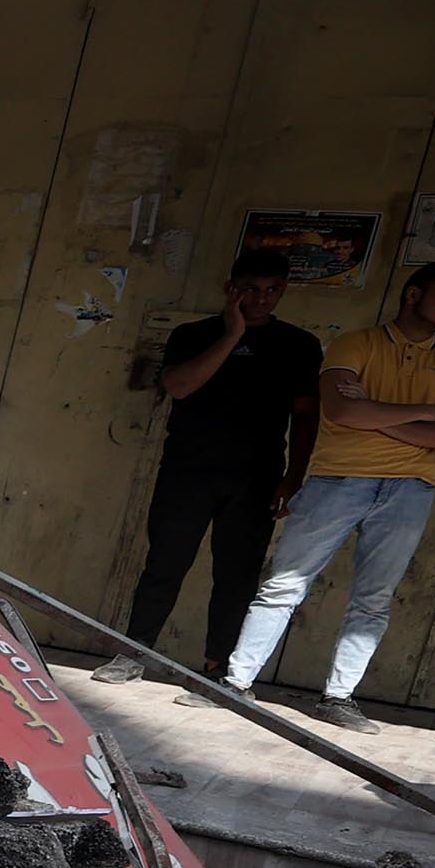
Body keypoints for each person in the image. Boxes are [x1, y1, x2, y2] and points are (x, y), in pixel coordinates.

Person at [205, 260, 435, 731]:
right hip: (337, 479)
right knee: (283, 585)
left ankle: (339, 697)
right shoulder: (358, 342)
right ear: (413, 295)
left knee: (374, 599)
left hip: (411, 489)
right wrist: (424, 415)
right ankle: (234, 685)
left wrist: (371, 410)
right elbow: (338, 411)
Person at [91, 245, 318, 681]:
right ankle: (133, 654)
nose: (261, 299)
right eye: (250, 289)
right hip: (188, 471)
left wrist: (294, 476)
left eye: (273, 290)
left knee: (237, 574)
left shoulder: (299, 345)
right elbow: (178, 387)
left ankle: (217, 668)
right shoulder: (193, 334)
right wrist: (232, 335)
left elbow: (306, 416)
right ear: (230, 289)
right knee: (165, 563)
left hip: (257, 477)